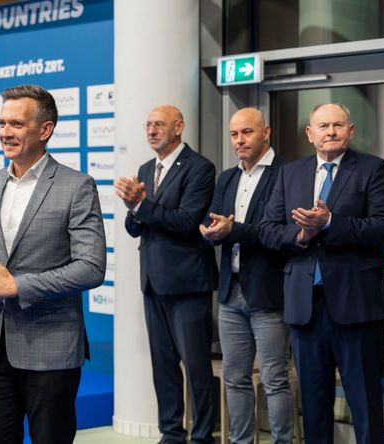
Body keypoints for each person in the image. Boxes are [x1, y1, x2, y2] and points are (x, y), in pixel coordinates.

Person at [0, 84, 106, 444]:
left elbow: (91, 266)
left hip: (51, 351)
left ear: (45, 130)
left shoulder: (76, 186)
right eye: (2, 123)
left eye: (17, 124)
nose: (5, 132)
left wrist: (17, 286)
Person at [260, 103, 384, 444]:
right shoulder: (290, 173)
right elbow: (267, 230)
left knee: (365, 405)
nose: (331, 131)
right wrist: (301, 234)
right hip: (305, 308)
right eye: (323, 126)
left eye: (338, 125)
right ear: (310, 134)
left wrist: (331, 222)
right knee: (314, 406)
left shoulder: (372, 168)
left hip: (357, 306)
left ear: (351, 131)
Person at [115, 105, 218, 444]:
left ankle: (202, 436)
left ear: (179, 127)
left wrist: (141, 206)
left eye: (159, 124)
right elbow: (135, 227)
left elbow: (187, 222)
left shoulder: (200, 168)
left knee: (197, 368)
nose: (151, 130)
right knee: (163, 366)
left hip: (188, 284)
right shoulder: (146, 168)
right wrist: (134, 209)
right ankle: (172, 433)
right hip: (153, 282)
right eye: (148, 125)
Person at [199, 108, 293, 444]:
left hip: (269, 293)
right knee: (235, 378)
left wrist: (233, 229)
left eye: (247, 132)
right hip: (231, 293)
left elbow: (279, 233)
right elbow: (213, 220)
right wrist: (209, 232)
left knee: (274, 380)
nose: (239, 140)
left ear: (266, 132)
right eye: (234, 134)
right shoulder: (227, 177)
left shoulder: (287, 174)